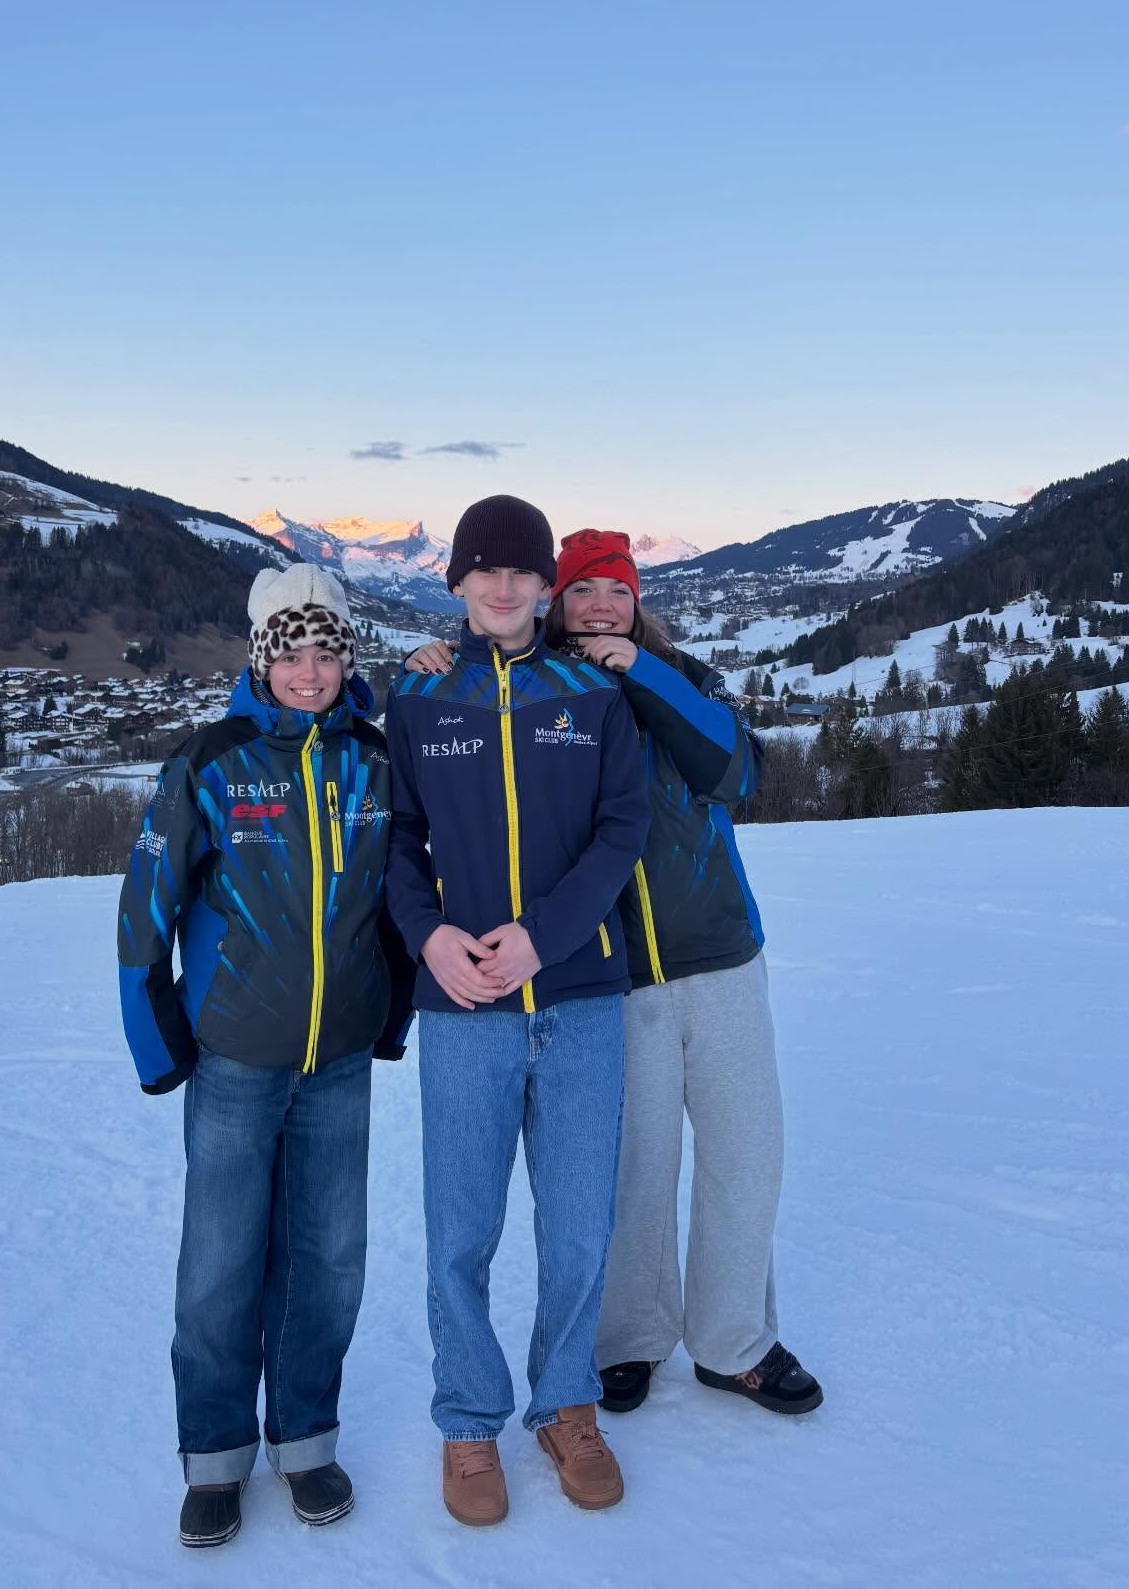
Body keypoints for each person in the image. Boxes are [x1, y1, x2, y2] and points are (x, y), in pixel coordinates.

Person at [405, 527, 821, 1419]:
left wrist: (646, 672)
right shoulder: (552, 687)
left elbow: (737, 770)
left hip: (720, 953)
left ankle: (735, 1342)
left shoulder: (680, 677)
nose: (601, 607)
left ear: (638, 602)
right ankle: (629, 1337)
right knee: (633, 1171)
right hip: (612, 968)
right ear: (555, 602)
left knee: (747, 1154)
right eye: (584, 592)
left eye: (618, 592)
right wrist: (429, 660)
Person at [117, 561, 413, 1552]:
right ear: (261, 659)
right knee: (219, 1267)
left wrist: (392, 1014)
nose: (311, 671)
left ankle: (305, 1439)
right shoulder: (211, 761)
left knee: (328, 1261)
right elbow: (145, 909)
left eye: (328, 652)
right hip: (236, 1062)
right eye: (293, 654)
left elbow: (402, 901)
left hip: (337, 1063)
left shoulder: (374, 761)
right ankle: (213, 1457)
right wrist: (158, 1041)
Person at [385, 494, 651, 1527]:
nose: (503, 588)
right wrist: (429, 937)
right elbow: (395, 836)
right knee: (462, 1231)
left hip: (578, 998)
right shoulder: (421, 694)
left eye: (522, 572)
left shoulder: (591, 692)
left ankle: (566, 1404)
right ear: (457, 582)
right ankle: (467, 1418)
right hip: (463, 1006)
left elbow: (621, 830)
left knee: (579, 1229)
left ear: (546, 586)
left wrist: (548, 935)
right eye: (484, 570)